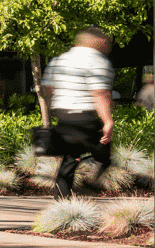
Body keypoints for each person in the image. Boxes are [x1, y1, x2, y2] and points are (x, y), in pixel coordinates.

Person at [37, 27, 116, 195]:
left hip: (63, 115)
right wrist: (108, 121)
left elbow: (48, 89)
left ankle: (62, 203)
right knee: (104, 156)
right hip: (85, 116)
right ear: (98, 42)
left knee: (70, 159)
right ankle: (89, 184)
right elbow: (99, 93)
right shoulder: (98, 61)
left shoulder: (59, 60)